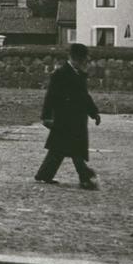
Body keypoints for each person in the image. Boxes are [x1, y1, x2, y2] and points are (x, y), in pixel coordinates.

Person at [34, 43, 102, 190]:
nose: (86, 62)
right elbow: (50, 96)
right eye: (84, 59)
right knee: (73, 148)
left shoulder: (77, 74)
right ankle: (85, 177)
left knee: (59, 149)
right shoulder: (60, 74)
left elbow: (85, 97)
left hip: (75, 119)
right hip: (65, 119)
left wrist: (93, 112)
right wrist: (46, 116)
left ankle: (44, 175)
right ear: (78, 59)